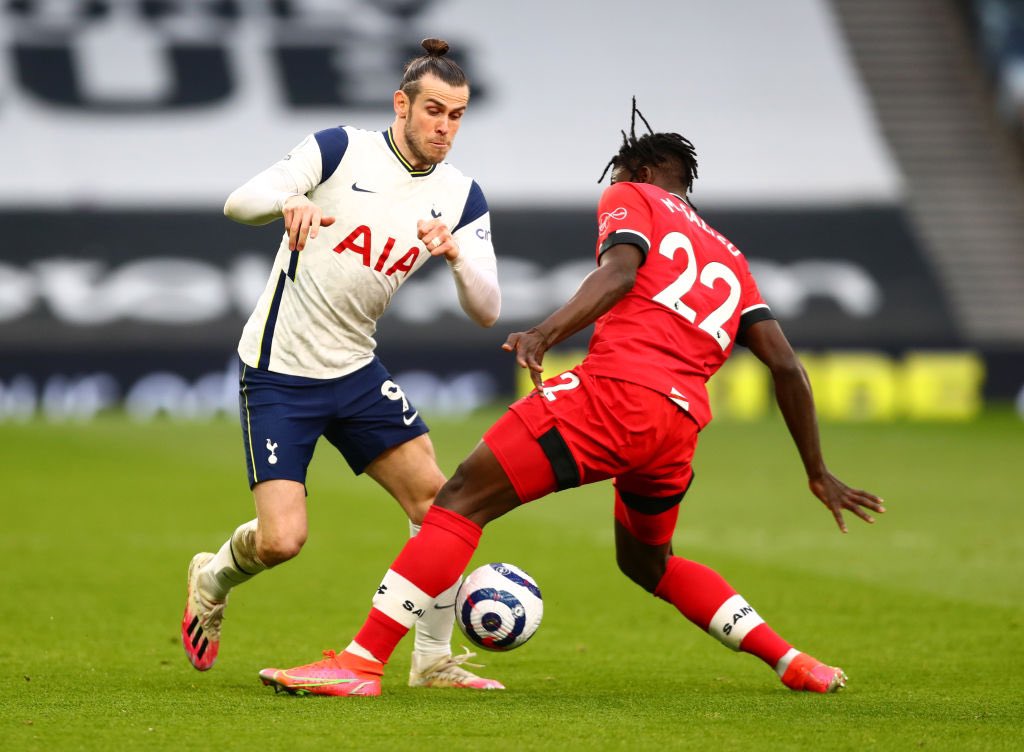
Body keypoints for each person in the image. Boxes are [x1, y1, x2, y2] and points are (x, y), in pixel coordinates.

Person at [256, 102, 886, 698]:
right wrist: (816, 471)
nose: (609, 188)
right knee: (648, 562)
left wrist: (544, 334)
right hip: (678, 428)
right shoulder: (728, 254)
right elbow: (787, 365)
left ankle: (361, 662)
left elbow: (620, 272)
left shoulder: (632, 195)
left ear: (639, 172)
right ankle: (792, 661)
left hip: (614, 396)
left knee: (458, 500)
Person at [180, 38, 506, 691]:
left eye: (457, 115)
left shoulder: (461, 197)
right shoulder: (338, 149)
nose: (445, 126)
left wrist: (456, 258)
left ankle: (432, 660)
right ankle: (211, 578)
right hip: (279, 372)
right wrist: (287, 200)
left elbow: (488, 309)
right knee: (282, 542)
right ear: (401, 104)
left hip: (355, 371)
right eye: (434, 110)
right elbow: (238, 202)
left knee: (441, 505)